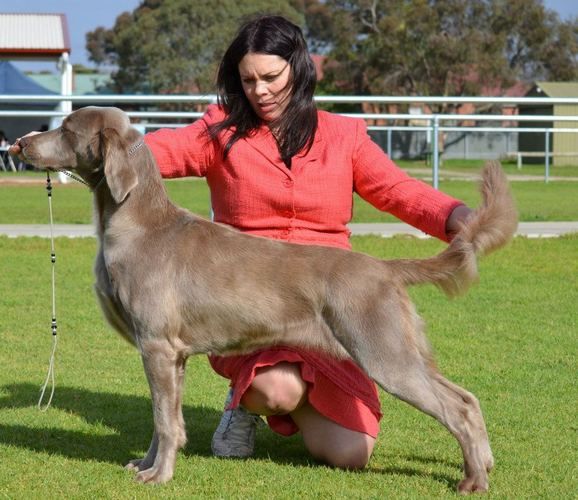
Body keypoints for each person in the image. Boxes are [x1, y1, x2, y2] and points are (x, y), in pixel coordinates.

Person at [143, 15, 472, 470]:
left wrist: (456, 216)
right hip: (250, 302)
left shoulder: (344, 136)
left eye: (271, 77)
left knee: (350, 454)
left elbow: (396, 190)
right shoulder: (222, 131)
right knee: (276, 389)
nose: (259, 91)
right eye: (248, 80)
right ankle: (247, 401)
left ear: (298, 68)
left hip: (332, 302)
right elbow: (160, 150)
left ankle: (298, 395)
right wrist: (97, 145)